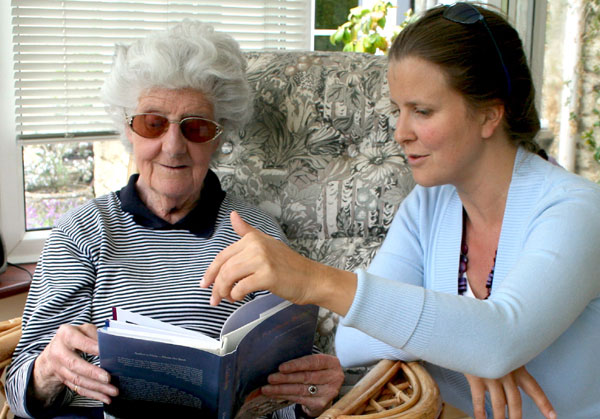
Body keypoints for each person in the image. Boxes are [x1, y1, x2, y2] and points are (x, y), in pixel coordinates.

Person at [201, 3, 600, 418]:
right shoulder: (428, 206)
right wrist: (467, 344)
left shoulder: (577, 212)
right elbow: (354, 341)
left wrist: (310, 278)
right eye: (398, 110)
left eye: (422, 111)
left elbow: (498, 340)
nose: (400, 133)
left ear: (489, 114)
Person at [5, 20, 343, 419]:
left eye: (195, 127)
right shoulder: (81, 230)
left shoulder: (256, 233)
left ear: (218, 138)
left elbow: (284, 398)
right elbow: (18, 391)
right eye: (153, 122)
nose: (173, 146)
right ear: (128, 129)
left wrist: (312, 400)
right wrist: (47, 371)